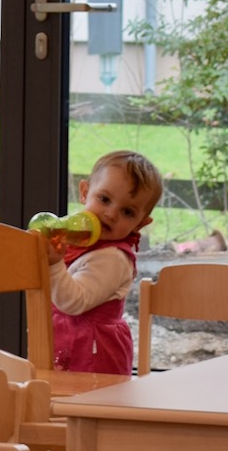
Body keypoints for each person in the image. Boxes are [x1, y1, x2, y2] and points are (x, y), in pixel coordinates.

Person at [44, 149, 164, 374]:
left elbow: (74, 302)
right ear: (85, 192)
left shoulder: (112, 258)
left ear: (140, 224)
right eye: (104, 199)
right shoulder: (78, 240)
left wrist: (53, 264)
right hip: (69, 346)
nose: (111, 214)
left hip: (95, 357)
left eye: (127, 212)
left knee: (88, 408)